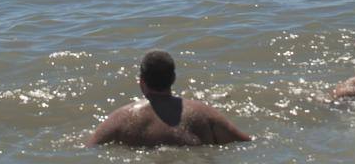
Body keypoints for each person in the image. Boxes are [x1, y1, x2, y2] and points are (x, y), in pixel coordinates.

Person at [86, 50, 251, 147]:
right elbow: (245, 142)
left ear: (142, 82)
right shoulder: (204, 113)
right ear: (173, 78)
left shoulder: (121, 118)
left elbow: (89, 149)